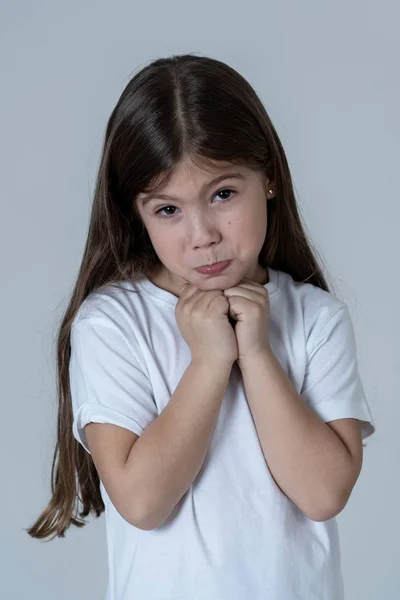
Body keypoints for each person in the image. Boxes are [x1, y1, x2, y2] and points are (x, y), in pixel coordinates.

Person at [27, 53, 376, 599]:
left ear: (268, 181)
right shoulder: (112, 325)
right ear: (136, 215)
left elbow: (324, 493)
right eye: (168, 210)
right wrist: (211, 362)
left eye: (223, 195)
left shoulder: (315, 319)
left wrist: (257, 355)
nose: (203, 234)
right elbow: (143, 502)